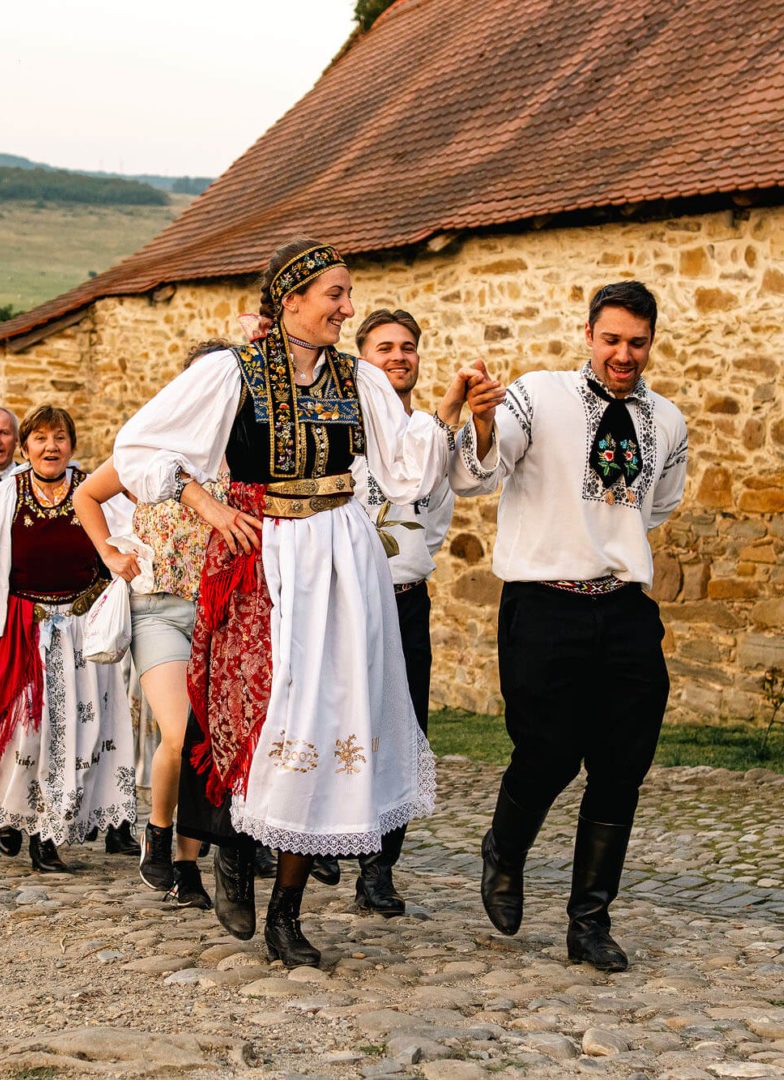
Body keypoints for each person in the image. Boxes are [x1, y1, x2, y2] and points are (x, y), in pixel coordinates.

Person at [111, 238, 480, 967]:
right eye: (336, 295)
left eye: (348, 295)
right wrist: (202, 502)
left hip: (342, 561)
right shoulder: (231, 372)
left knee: (331, 717)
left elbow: (406, 471)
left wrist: (447, 407)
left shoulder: (361, 379)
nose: (347, 308)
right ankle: (230, 848)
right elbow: (137, 447)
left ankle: (287, 910)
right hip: (261, 556)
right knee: (253, 716)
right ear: (292, 301)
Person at [451, 280, 688, 972]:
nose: (623, 354)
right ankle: (504, 846)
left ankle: (589, 923)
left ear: (650, 342)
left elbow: (659, 505)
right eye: (611, 339)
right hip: (543, 602)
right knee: (549, 752)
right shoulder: (537, 395)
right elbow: (478, 470)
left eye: (636, 343)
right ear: (589, 335)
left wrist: (606, 541)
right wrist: (485, 420)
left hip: (623, 608)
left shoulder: (668, 420)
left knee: (621, 768)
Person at [73, 340, 235, 909]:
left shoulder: (237, 452)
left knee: (210, 745)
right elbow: (86, 495)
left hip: (223, 615)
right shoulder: (147, 449)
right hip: (160, 609)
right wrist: (112, 556)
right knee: (180, 730)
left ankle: (188, 865)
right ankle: (157, 832)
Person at [0, 404, 135, 872]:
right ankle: (17, 817)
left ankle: (48, 834)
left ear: (72, 445)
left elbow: (133, 543)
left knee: (76, 734)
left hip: (81, 632)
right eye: (41, 439)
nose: (51, 448)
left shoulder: (95, 493)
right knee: (25, 733)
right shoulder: (6, 496)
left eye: (60, 439)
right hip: (21, 631)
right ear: (25, 447)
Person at [347, 308, 464, 916]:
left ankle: (379, 868)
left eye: (409, 347)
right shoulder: (340, 434)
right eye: (384, 347)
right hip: (345, 606)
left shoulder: (432, 436)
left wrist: (406, 566)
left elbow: (435, 520)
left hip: (405, 604)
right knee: (340, 721)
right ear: (361, 358)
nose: (399, 356)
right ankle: (318, 838)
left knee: (403, 729)